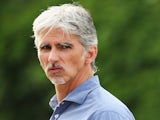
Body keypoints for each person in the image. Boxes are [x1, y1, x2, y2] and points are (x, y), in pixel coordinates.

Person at [32, 3, 135, 120]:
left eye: (64, 47)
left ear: (90, 54)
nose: (52, 58)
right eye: (45, 48)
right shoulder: (62, 110)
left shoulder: (106, 113)